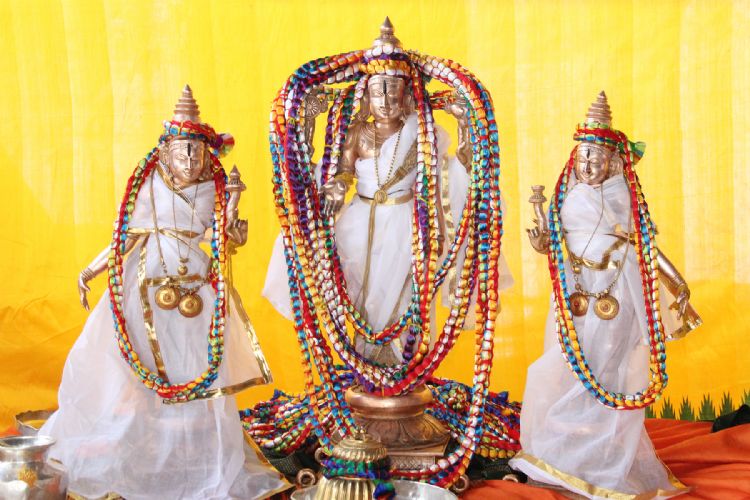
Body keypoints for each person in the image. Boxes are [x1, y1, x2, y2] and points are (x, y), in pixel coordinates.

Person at [40, 86, 286, 500]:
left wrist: (234, 230)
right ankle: (143, 442)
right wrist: (91, 270)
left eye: (196, 153)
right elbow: (125, 239)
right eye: (181, 153)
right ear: (165, 154)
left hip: (197, 283)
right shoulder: (150, 186)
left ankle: (195, 448)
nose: (189, 161)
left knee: (198, 360)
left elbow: (221, 239)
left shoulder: (216, 188)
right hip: (147, 278)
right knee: (137, 359)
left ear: (207, 154)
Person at [510, 92, 701, 499]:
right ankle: (560, 453)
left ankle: (603, 456)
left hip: (617, 294)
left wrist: (677, 284)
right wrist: (542, 243)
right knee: (561, 365)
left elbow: (646, 248)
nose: (588, 165)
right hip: (574, 294)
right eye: (583, 156)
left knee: (609, 370)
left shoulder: (622, 197)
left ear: (613, 162)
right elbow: (554, 243)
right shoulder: (565, 197)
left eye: (596, 158)